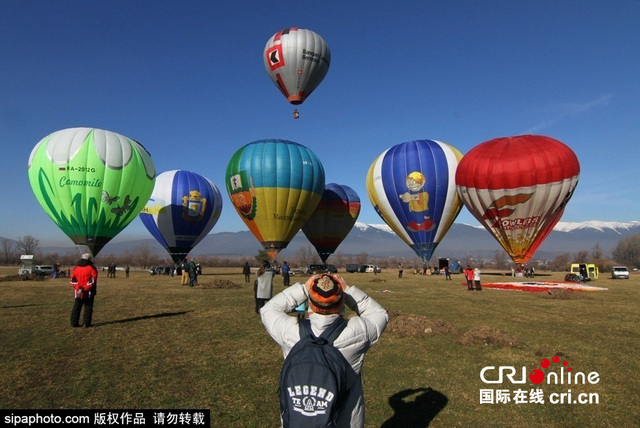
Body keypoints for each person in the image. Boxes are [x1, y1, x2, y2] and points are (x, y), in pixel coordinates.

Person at [261, 273, 388, 427]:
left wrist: (303, 288)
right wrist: (348, 291)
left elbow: (269, 309)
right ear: (341, 302)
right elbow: (379, 314)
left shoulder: (291, 331)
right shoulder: (358, 332)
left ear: (310, 302)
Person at [70, 253, 98, 328]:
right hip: (89, 292)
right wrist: (85, 288)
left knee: (76, 307)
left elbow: (73, 280)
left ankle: (74, 323)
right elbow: (93, 280)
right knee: (88, 307)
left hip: (78, 291)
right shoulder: (92, 268)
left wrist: (78, 288)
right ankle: (86, 323)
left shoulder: (76, 268)